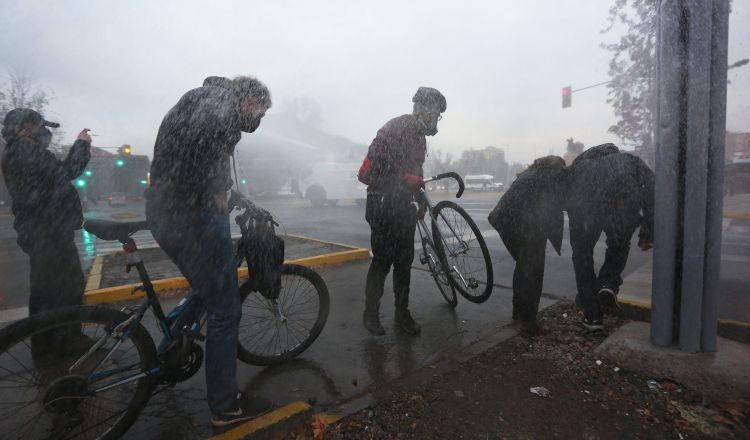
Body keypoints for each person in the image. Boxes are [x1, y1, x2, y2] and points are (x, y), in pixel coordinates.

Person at [145, 75, 273, 427]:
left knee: (207, 286)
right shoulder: (221, 104)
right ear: (249, 100)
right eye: (260, 110)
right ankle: (225, 406)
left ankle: (162, 357)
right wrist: (218, 187)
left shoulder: (200, 97)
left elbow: (194, 150)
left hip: (165, 208)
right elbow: (207, 137)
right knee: (225, 308)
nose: (259, 118)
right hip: (191, 212)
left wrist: (230, 191)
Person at [1, 108, 92, 353]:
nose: (45, 132)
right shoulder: (25, 152)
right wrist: (81, 145)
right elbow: (66, 172)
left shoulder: (17, 153)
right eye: (40, 126)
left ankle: (45, 342)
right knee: (66, 287)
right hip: (48, 230)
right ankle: (66, 341)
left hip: (41, 230)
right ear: (22, 128)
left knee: (45, 290)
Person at [358, 86, 447, 336]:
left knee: (404, 263)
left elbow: (415, 174)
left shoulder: (419, 137)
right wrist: (404, 179)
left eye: (439, 114)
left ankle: (402, 314)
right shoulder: (395, 128)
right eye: (434, 111)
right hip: (382, 204)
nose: (435, 118)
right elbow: (376, 165)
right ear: (419, 108)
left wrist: (419, 200)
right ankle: (371, 314)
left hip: (403, 206)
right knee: (383, 261)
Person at [566, 143, 654, 331]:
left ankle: (592, 316)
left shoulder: (579, 167)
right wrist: (648, 227)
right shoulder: (629, 161)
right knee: (618, 246)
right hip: (624, 205)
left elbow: (564, 195)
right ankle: (608, 283)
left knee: (582, 258)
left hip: (586, 211)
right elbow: (652, 187)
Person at [488, 156, 567, 337]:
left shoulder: (530, 174)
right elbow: (560, 202)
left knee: (524, 267)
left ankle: (519, 310)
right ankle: (529, 322)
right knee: (533, 272)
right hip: (526, 223)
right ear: (556, 167)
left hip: (505, 221)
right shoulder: (551, 175)